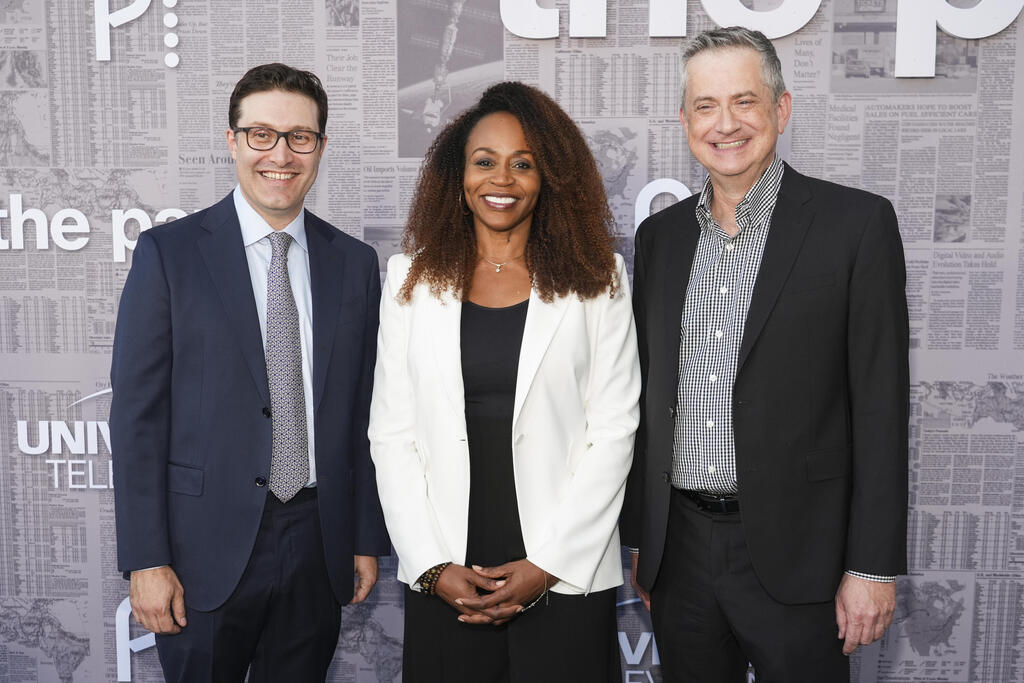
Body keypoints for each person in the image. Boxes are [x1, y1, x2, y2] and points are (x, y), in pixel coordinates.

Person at [621, 27, 909, 682]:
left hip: (801, 555)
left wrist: (869, 566)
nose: (725, 124)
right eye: (705, 105)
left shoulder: (856, 227)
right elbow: (650, 397)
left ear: (781, 109)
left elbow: (881, 408)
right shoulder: (660, 239)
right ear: (685, 119)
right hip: (682, 552)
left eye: (745, 101)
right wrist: (647, 540)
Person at [110, 63, 390, 682]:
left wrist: (363, 536)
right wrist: (146, 559)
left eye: (300, 136)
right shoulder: (171, 255)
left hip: (319, 543)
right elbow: (136, 420)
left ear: (320, 146)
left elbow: (365, 410)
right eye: (261, 134)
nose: (281, 155)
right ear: (233, 139)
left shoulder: (356, 264)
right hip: (199, 552)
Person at [368, 81, 640, 682]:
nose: (502, 179)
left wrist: (547, 565)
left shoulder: (601, 278)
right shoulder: (409, 280)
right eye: (484, 162)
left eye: (524, 164)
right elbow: (392, 434)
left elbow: (615, 429)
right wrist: (433, 567)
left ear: (551, 178)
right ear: (457, 176)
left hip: (565, 566)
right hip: (447, 571)